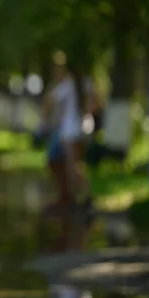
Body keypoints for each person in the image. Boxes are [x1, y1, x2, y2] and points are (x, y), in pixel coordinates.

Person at [41, 53, 93, 214]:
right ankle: (76, 197)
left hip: (69, 131)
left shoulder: (68, 85)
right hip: (82, 129)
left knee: (72, 166)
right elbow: (96, 101)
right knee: (74, 164)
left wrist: (47, 120)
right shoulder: (86, 83)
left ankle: (83, 195)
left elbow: (50, 100)